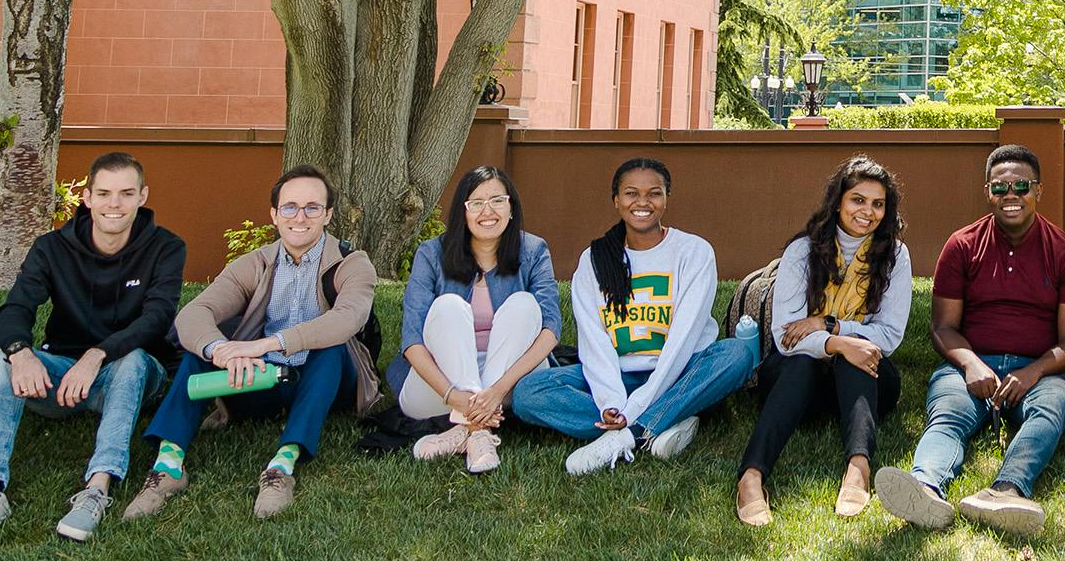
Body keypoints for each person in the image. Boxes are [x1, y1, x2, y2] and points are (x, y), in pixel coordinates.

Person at [0, 152, 184, 549]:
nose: (115, 204)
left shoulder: (166, 247)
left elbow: (155, 320)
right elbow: (15, 309)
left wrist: (96, 357)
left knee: (132, 361)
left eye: (126, 194)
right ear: (87, 197)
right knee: (3, 360)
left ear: (143, 196)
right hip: (61, 379)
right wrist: (21, 353)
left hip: (132, 379)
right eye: (105, 193)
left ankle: (98, 487)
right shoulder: (51, 248)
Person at [122, 165, 379, 522]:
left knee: (331, 347)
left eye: (312, 208)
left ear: (328, 215)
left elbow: (348, 319)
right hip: (266, 378)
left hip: (328, 380)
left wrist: (262, 345)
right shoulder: (255, 264)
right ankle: (168, 466)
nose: (299, 217)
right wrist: (220, 350)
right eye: (289, 207)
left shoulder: (353, 264)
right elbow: (195, 313)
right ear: (274, 214)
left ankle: (282, 467)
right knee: (198, 355)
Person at [875, 144, 1065, 537]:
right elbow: (942, 327)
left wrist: (1031, 373)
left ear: (1038, 191)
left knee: (1053, 406)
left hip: (1038, 370)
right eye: (1000, 188)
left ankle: (1006, 490)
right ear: (987, 191)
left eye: (1021, 186)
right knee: (949, 414)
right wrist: (971, 363)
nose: (1011, 196)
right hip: (970, 364)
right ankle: (925, 488)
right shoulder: (962, 245)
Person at [510, 158, 759, 474]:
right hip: (621, 375)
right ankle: (667, 420)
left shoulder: (693, 252)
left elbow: (683, 339)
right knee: (528, 393)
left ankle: (631, 434)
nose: (643, 202)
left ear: (666, 198)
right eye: (631, 193)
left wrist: (637, 409)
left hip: (683, 370)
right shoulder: (595, 259)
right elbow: (593, 340)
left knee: (735, 353)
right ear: (616, 200)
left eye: (654, 193)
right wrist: (611, 403)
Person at [735, 156, 912, 525]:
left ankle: (858, 467)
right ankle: (751, 476)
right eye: (857, 200)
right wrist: (840, 343)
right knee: (806, 360)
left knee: (861, 355)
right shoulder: (803, 251)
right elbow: (786, 337)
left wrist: (828, 326)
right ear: (838, 202)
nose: (868, 212)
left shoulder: (895, 255)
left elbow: (890, 336)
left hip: (865, 389)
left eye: (878, 203)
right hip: (797, 386)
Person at [391, 166, 560, 474]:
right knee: (448, 306)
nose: (488, 211)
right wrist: (456, 396)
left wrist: (496, 390)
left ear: (511, 208)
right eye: (476, 202)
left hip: (510, 383)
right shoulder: (431, 254)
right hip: (441, 386)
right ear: (463, 211)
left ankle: (466, 431)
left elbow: (551, 330)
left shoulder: (533, 250)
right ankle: (477, 428)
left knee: (523, 305)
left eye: (497, 200)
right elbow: (412, 341)